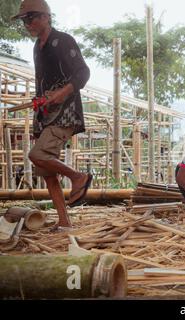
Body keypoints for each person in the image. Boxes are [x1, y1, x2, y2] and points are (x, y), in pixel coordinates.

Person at [12, 0, 92, 230]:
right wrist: (40, 102)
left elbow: (83, 73)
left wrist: (61, 93)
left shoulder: (63, 41)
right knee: (47, 172)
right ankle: (64, 221)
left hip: (66, 112)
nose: (27, 24)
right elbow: (41, 82)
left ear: (46, 16)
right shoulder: (38, 47)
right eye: (25, 20)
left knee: (37, 155)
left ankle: (78, 177)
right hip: (46, 114)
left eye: (31, 18)